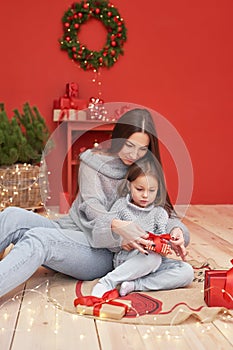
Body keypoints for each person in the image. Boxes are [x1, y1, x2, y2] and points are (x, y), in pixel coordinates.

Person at [0, 108, 193, 298]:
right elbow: (91, 206)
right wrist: (116, 225)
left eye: (142, 149)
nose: (134, 155)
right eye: (129, 145)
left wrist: (177, 230)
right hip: (77, 229)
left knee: (39, 240)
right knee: (11, 216)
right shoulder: (93, 162)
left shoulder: (148, 170)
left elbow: (163, 211)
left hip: (105, 252)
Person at [91, 155, 175, 297]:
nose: (145, 196)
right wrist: (121, 242)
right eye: (140, 189)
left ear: (158, 189)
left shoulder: (159, 213)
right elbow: (105, 232)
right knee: (153, 259)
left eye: (152, 190)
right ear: (130, 185)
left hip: (152, 260)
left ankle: (134, 285)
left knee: (186, 272)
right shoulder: (121, 206)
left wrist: (165, 246)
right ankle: (107, 282)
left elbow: (162, 238)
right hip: (126, 258)